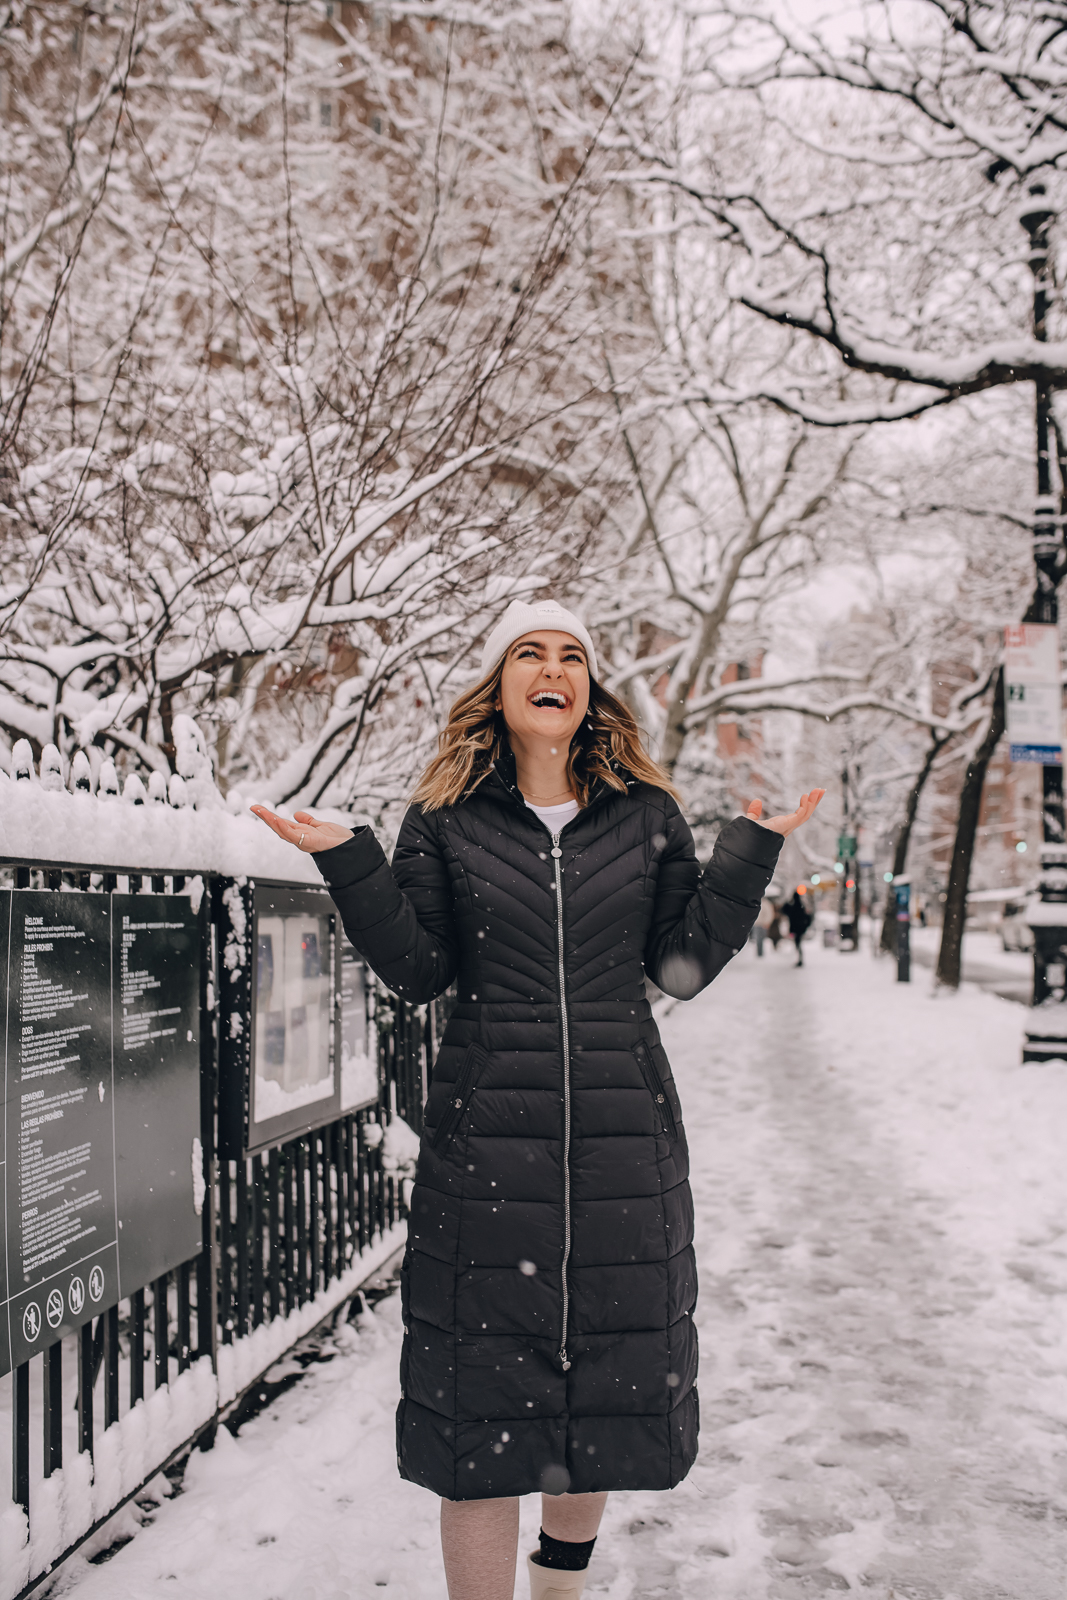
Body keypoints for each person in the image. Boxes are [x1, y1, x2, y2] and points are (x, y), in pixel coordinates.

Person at [252, 598, 824, 1600]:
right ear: (501, 684)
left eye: (569, 654)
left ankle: (558, 1588)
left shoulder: (644, 814)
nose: (550, 666)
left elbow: (679, 967)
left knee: (599, 1395)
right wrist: (347, 859)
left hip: (620, 1138)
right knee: (480, 1403)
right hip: (485, 1145)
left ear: (588, 687)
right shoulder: (444, 817)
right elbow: (419, 969)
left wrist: (745, 857)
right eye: (528, 652)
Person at [785, 888, 814, 966]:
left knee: (797, 943)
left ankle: (799, 959)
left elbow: (784, 909)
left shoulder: (792, 907)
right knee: (798, 943)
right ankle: (800, 959)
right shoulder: (802, 907)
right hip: (801, 928)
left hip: (795, 928)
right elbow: (808, 917)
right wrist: (806, 925)